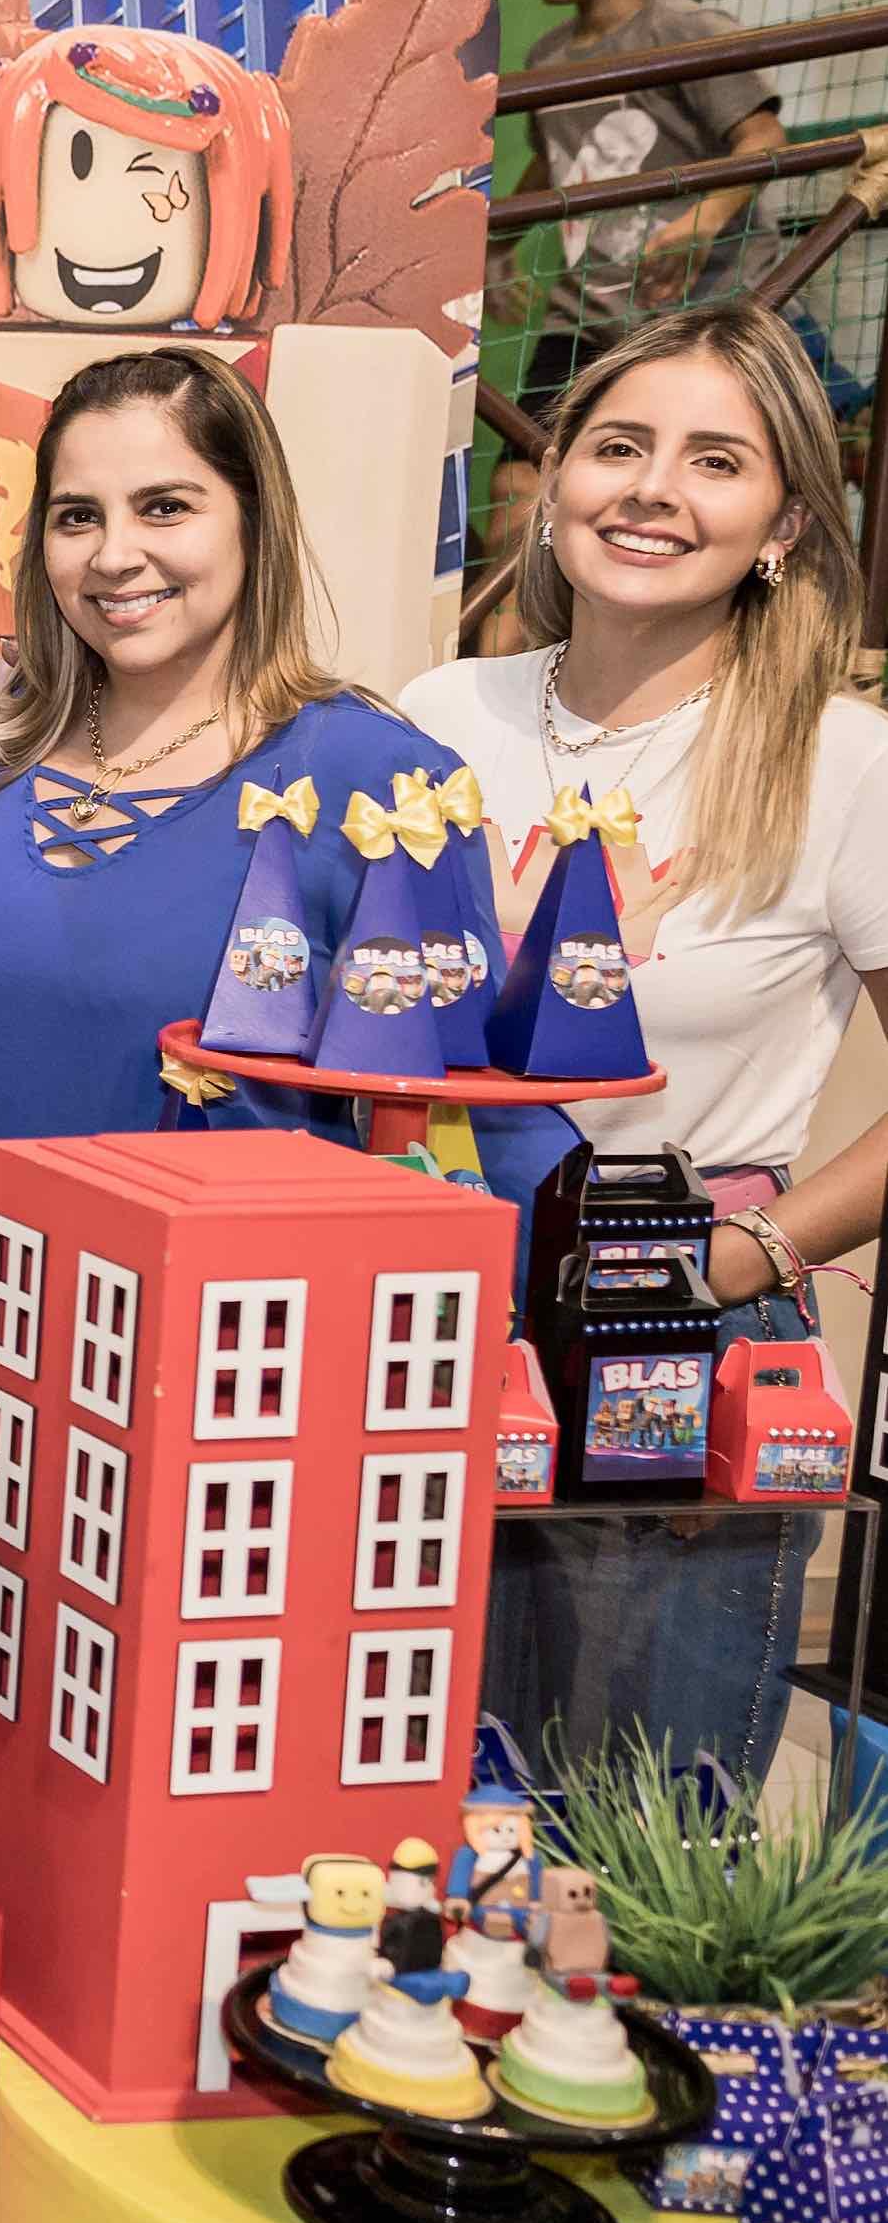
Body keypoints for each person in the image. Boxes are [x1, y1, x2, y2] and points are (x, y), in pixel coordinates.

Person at [406, 302, 887, 1798]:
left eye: (715, 462)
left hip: (681, 1330)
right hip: (435, 1332)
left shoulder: (842, 760)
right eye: (618, 447)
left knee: (642, 1819)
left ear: (784, 525)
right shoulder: (438, 714)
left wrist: (739, 1261)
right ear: (554, 483)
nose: (652, 491)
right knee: (424, 1800)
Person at [0, 346, 463, 1538]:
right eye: (77, 516)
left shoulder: (377, 779)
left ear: (254, 521)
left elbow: (476, 1130)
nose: (114, 553)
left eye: (165, 506)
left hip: (239, 1408)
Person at [494, 0, 787, 545]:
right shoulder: (546, 57)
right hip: (583, 317)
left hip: (695, 312)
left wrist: (702, 220)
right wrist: (499, 246)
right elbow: (553, 158)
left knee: (675, 488)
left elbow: (764, 137)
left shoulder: (685, 29)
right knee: (517, 495)